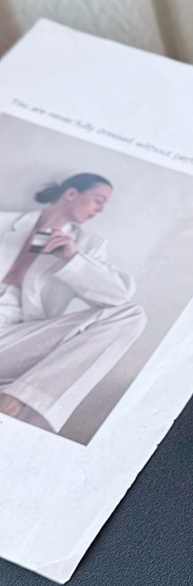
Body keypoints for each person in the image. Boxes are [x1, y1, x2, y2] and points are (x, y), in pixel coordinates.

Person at [0, 173, 146, 432]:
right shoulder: (4, 221)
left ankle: (14, 401)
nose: (100, 210)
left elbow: (119, 296)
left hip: (13, 340)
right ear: (70, 194)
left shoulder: (88, 246)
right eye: (98, 200)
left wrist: (73, 259)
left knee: (131, 315)